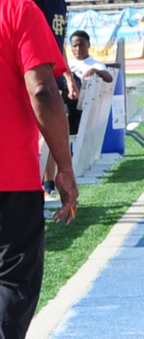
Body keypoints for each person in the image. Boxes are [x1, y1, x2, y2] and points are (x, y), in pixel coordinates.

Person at [0, 0, 79, 339]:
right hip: (8, 176)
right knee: (13, 283)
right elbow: (43, 90)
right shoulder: (18, 10)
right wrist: (63, 167)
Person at [32, 0, 76, 195]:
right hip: (35, 73)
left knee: (55, 128)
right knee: (48, 130)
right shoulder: (34, 4)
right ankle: (39, 180)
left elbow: (59, 43)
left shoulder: (60, 4)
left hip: (52, 72)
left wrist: (67, 75)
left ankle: (47, 183)